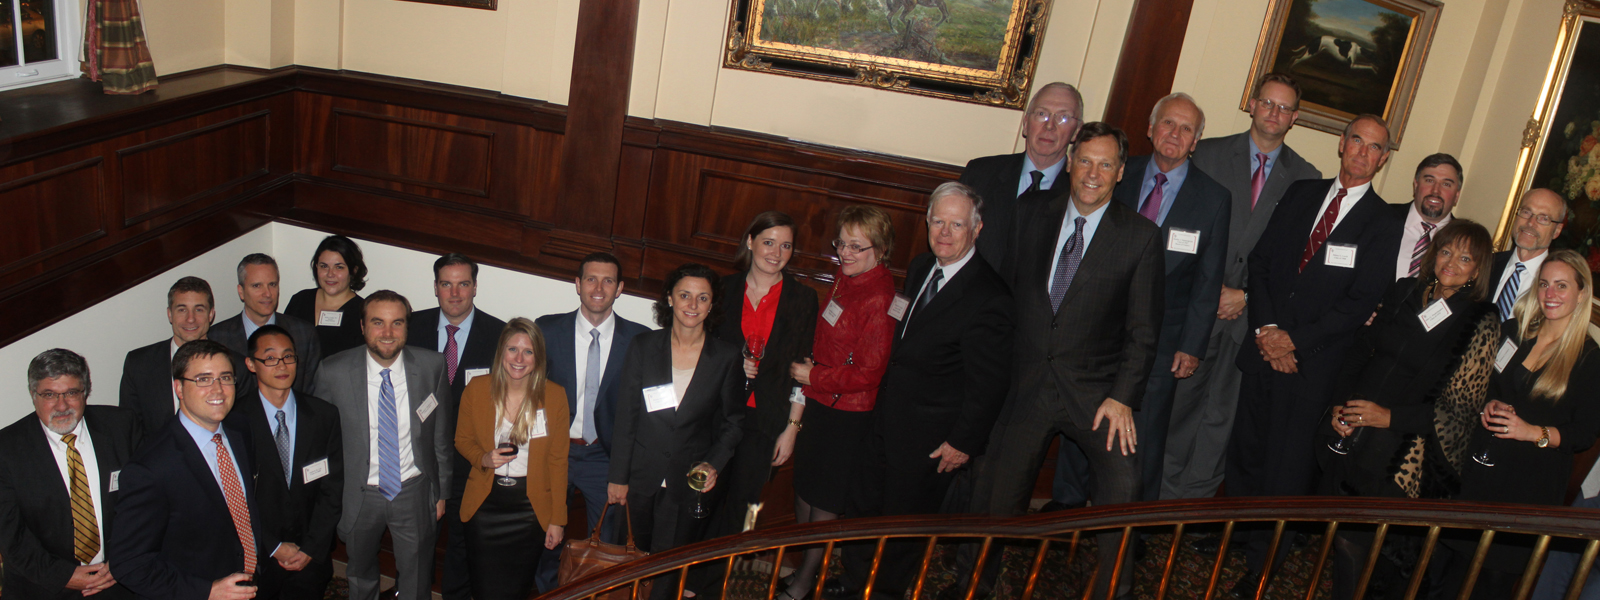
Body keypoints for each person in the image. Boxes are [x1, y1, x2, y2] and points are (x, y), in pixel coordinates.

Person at [975, 123, 1163, 600]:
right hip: (1027, 385)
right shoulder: (1030, 212)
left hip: (1098, 395)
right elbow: (1003, 295)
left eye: (1105, 164)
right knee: (994, 500)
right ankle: (973, 585)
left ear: (1121, 173)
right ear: (1071, 161)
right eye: (1084, 161)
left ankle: (1111, 593)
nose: (1092, 173)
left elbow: (1143, 332)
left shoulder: (1140, 237)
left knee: (1122, 491)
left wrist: (1123, 397)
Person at [1227, 113, 1404, 593]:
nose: (1363, 153)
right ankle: (1238, 539)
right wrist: (1267, 330)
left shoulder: (1385, 223)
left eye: (1375, 148)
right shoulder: (1303, 193)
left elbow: (1360, 303)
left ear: (1383, 159)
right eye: (1357, 142)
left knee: (1286, 471)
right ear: (1341, 145)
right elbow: (1261, 263)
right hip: (1263, 351)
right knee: (1246, 455)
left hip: (1313, 367)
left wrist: (1294, 341)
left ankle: (1264, 566)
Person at [1054, 92, 1228, 507]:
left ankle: (1133, 518)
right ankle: (1065, 507)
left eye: (1187, 129)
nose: (1175, 134)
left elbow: (1209, 279)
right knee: (1082, 416)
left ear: (1196, 141)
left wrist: (1192, 344)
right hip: (1098, 328)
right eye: (1168, 123)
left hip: (1165, 341)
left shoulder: (1214, 198)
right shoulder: (1116, 176)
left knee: (1144, 431)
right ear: (1150, 130)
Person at [851, 183, 1016, 599]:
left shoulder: (990, 296)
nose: (945, 232)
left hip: (929, 441)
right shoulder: (923, 265)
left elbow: (990, 383)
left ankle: (884, 595)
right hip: (884, 420)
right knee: (862, 514)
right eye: (938, 221)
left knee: (902, 533)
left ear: (976, 229)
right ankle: (853, 587)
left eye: (956, 224)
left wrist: (962, 442)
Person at [1318, 220, 1496, 599]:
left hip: (1404, 452)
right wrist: (1339, 406)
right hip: (1355, 433)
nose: (1451, 262)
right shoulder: (1405, 291)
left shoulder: (1480, 319)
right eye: (1446, 251)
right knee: (1342, 538)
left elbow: (1461, 409)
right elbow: (1362, 351)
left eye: (1465, 258)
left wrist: (1388, 417)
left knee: (1362, 549)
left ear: (1477, 270)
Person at [1167, 73, 1322, 502]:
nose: (1275, 112)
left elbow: (1295, 263)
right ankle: (1156, 499)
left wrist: (1248, 296)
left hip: (1252, 320)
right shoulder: (1208, 153)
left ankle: (1194, 506)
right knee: (1178, 406)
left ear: (1294, 118)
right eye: (1268, 103)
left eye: (1284, 107)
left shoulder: (1307, 179)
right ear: (1251, 104)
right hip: (1199, 308)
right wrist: (1209, 289)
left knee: (1222, 416)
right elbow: (1183, 227)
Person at [1441, 250, 1600, 598]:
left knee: (1493, 582)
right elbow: (1484, 384)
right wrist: (1488, 404)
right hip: (1481, 470)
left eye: (1561, 286)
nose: (1550, 294)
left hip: (1530, 486)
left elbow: (1585, 434)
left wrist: (1531, 432)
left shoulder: (1589, 359)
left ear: (1581, 293)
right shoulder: (1514, 331)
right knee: (1452, 571)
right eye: (1544, 284)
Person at [110, 340, 296, 600]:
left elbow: (243, 505)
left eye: (225, 377)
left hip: (255, 581)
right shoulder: (149, 468)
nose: (218, 389)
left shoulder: (240, 428)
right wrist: (207, 591)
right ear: (179, 388)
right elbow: (128, 564)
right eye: (203, 379)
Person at [607, 263, 743, 599]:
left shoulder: (725, 357)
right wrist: (618, 477)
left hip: (686, 480)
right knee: (629, 562)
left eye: (702, 298)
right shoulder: (642, 346)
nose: (692, 305)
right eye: (685, 295)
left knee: (668, 568)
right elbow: (626, 416)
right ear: (670, 298)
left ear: (712, 305)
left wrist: (713, 463)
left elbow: (734, 422)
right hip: (639, 476)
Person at [783, 206, 898, 600]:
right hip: (819, 401)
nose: (844, 253)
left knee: (825, 500)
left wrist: (812, 375)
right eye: (841, 244)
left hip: (847, 415)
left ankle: (804, 584)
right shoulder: (845, 278)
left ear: (880, 250)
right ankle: (806, 569)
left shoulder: (880, 297)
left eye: (856, 246)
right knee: (804, 488)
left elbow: (870, 373)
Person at [312, 291, 453, 600]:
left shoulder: (432, 366)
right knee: (360, 575)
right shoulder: (333, 371)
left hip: (414, 490)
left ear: (407, 327)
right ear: (362, 326)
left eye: (397, 323)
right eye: (378, 323)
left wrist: (441, 491)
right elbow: (320, 443)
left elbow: (440, 434)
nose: (388, 333)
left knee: (417, 577)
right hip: (359, 493)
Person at [532, 252, 650, 591]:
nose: (599, 287)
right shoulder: (547, 329)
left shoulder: (641, 340)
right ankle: (546, 593)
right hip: (555, 451)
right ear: (577, 284)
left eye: (608, 280)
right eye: (591, 279)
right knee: (544, 534)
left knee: (608, 542)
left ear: (620, 288)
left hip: (605, 457)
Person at [706, 211, 817, 543]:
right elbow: (700, 352)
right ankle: (689, 581)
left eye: (785, 246)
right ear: (750, 242)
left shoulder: (802, 298)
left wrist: (792, 428)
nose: (776, 253)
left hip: (767, 419)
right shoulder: (721, 290)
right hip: (718, 414)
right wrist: (729, 365)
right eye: (768, 242)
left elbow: (803, 370)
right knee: (705, 499)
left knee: (745, 509)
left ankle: (720, 580)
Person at [404, 253, 507, 600]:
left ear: (475, 287)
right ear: (435, 288)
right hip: (418, 454)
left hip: (470, 457)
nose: (455, 293)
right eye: (446, 284)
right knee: (416, 538)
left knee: (462, 544)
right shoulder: (410, 326)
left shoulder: (499, 334)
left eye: (463, 284)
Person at [0, 349, 141, 600]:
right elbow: (10, 535)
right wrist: (64, 576)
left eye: (72, 393)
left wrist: (123, 559)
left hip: (121, 581)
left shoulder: (122, 426)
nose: (62, 405)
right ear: (34, 396)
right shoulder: (6, 449)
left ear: (85, 392)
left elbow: (145, 503)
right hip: (42, 587)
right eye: (49, 395)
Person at [224, 325, 344, 600]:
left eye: (288, 357)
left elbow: (332, 488)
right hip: (257, 555)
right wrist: (274, 546)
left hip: (310, 554)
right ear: (251, 364)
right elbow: (234, 497)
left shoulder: (323, 416)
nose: (281, 365)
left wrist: (311, 548)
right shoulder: (233, 422)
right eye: (270, 358)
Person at [455, 318, 569, 600]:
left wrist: (558, 519)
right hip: (485, 505)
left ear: (538, 357)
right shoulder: (477, 390)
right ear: (501, 353)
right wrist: (483, 458)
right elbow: (462, 440)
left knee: (516, 589)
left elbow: (558, 461)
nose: (519, 358)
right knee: (483, 587)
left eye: (528, 352)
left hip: (529, 509)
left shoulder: (554, 396)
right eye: (512, 349)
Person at [958, 82, 1084, 276]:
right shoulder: (980, 175)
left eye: (1063, 117)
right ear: (1026, 124)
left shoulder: (1081, 193)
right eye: (1042, 114)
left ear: (1076, 131)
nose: (1049, 125)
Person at [211, 254, 322, 394]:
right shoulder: (217, 338)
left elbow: (310, 394)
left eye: (272, 284)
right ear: (241, 292)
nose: (267, 293)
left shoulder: (304, 333)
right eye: (257, 286)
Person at [120, 276, 218, 436]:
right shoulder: (138, 364)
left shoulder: (234, 364)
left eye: (199, 309)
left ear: (211, 314)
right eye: (182, 310)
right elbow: (128, 431)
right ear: (170, 314)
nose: (190, 318)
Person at [1489, 188, 1567, 322]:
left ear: (1557, 231)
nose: (1531, 223)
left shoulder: (1559, 287)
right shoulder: (1486, 263)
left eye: (1543, 218)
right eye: (1526, 212)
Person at [285, 235, 368, 356]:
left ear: (353, 271)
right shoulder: (300, 300)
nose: (330, 274)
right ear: (316, 267)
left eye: (339, 267)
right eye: (324, 266)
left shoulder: (362, 311)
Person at [1390, 154, 1463, 280]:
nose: (1435, 191)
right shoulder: (1382, 217)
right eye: (1429, 180)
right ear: (1416, 184)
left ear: (1457, 195)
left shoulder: (1464, 240)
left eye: (1446, 184)